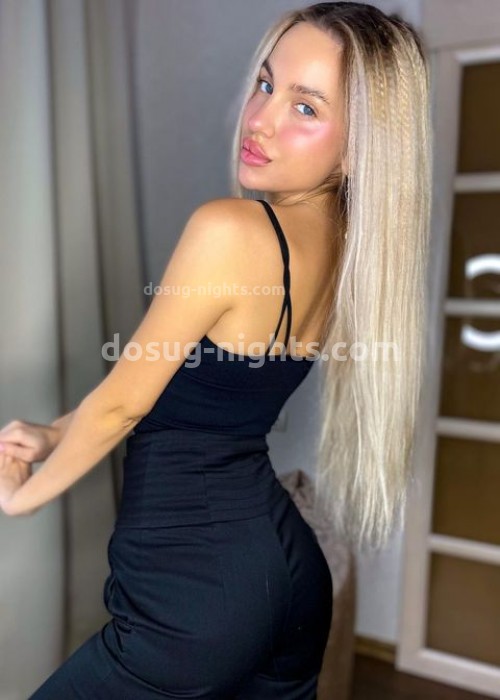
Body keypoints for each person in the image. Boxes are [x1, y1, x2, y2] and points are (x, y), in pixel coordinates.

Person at [0, 2, 432, 698]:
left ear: (361, 148)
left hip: (194, 591)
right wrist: (53, 436)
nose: (260, 119)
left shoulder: (231, 230)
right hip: (286, 577)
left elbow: (121, 408)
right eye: (266, 84)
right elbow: (183, 389)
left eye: (306, 108)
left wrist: (23, 501)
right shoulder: (352, 253)